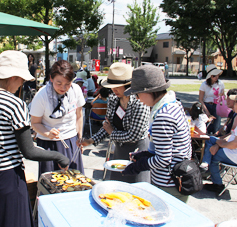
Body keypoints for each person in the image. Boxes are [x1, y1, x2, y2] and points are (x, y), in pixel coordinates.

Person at [0, 51, 69, 227]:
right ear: (13, 76)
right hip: (6, 177)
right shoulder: (14, 103)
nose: (22, 83)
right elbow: (28, 151)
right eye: (22, 78)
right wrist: (58, 156)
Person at [122, 65, 192, 203]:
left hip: (168, 183)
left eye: (137, 94)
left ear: (149, 91)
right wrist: (145, 155)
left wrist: (138, 166)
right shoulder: (174, 104)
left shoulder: (163, 116)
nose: (137, 98)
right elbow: (170, 148)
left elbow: (163, 160)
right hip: (178, 177)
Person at [79, 62, 151, 183]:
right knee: (118, 186)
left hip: (138, 151)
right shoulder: (113, 99)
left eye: (117, 86)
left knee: (136, 188)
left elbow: (134, 135)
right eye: (112, 86)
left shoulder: (140, 102)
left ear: (128, 85)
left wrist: (112, 132)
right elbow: (107, 126)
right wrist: (91, 141)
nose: (113, 89)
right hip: (120, 150)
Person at [30, 60, 85, 177]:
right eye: (59, 83)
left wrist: (80, 138)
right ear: (51, 78)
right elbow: (35, 123)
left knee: (74, 179)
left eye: (67, 84)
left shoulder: (75, 90)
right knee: (51, 181)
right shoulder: (42, 95)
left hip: (71, 140)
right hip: (49, 144)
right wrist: (47, 132)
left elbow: (79, 116)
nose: (63, 88)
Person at [203, 93, 237, 195]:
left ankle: (217, 184)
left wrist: (219, 144)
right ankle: (205, 162)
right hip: (230, 148)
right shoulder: (233, 114)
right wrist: (218, 142)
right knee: (210, 139)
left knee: (213, 154)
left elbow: (234, 145)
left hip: (233, 153)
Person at [200, 89, 237, 172]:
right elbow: (225, 125)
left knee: (209, 142)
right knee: (208, 139)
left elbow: (232, 135)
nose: (226, 101)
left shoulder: (236, 116)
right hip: (224, 140)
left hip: (228, 145)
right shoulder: (232, 113)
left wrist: (219, 143)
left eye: (228, 99)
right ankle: (206, 165)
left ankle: (206, 165)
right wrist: (217, 133)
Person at [199, 64, 225, 134]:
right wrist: (206, 111)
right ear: (210, 76)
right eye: (214, 75)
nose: (216, 77)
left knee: (216, 127)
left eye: (217, 75)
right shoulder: (204, 84)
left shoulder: (220, 83)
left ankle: (213, 141)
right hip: (207, 105)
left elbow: (223, 96)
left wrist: (222, 96)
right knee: (206, 126)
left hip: (217, 106)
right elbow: (201, 99)